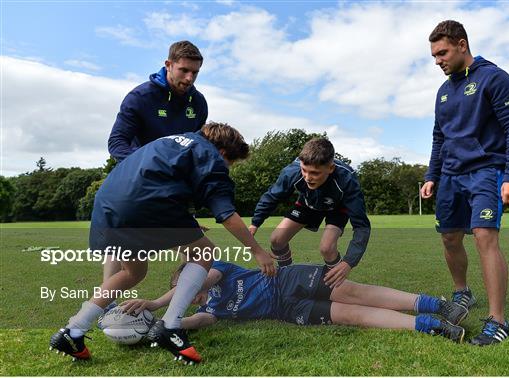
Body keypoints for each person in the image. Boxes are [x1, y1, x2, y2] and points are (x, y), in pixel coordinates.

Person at [49, 123, 276, 363]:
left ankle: (73, 331)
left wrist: (183, 223)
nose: (228, 168)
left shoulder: (170, 140)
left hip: (108, 206)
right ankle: (171, 326)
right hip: (147, 207)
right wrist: (258, 251)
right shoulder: (211, 158)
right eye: (231, 163)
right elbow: (227, 215)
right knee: (205, 252)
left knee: (133, 272)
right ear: (223, 152)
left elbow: (160, 180)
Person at [121, 260, 469, 363]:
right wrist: (165, 324)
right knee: (350, 315)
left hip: (290, 280)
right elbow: (199, 320)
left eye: (187, 286)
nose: (190, 295)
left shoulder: (215, 272)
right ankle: (429, 326)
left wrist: (156, 303)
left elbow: (204, 279)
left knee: (353, 292)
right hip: (289, 310)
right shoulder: (212, 309)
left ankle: (437, 305)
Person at [421, 20, 509, 346]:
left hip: (486, 170)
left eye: (442, 53)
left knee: (484, 236)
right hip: (451, 176)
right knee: (450, 239)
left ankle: (497, 320)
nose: (437, 61)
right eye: (434, 56)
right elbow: (439, 138)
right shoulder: (443, 92)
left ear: (462, 45)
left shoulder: (493, 78)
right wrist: (431, 176)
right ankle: (462, 293)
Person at [104, 40, 208, 302]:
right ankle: (107, 304)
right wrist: (146, 167)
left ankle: (185, 300)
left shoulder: (198, 102)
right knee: (122, 246)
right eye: (184, 70)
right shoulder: (140, 98)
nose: (189, 78)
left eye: (195, 72)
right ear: (168, 65)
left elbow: (195, 146)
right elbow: (116, 142)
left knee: (193, 241)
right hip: (137, 184)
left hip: (177, 186)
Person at [249, 138, 370, 289]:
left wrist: (348, 262)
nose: (307, 177)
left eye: (314, 173)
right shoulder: (292, 171)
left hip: (337, 208)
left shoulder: (347, 179)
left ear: (330, 168)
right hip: (308, 203)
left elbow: (362, 227)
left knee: (327, 248)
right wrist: (255, 223)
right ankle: (288, 276)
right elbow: (272, 196)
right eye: (304, 170)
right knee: (276, 239)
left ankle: (336, 288)